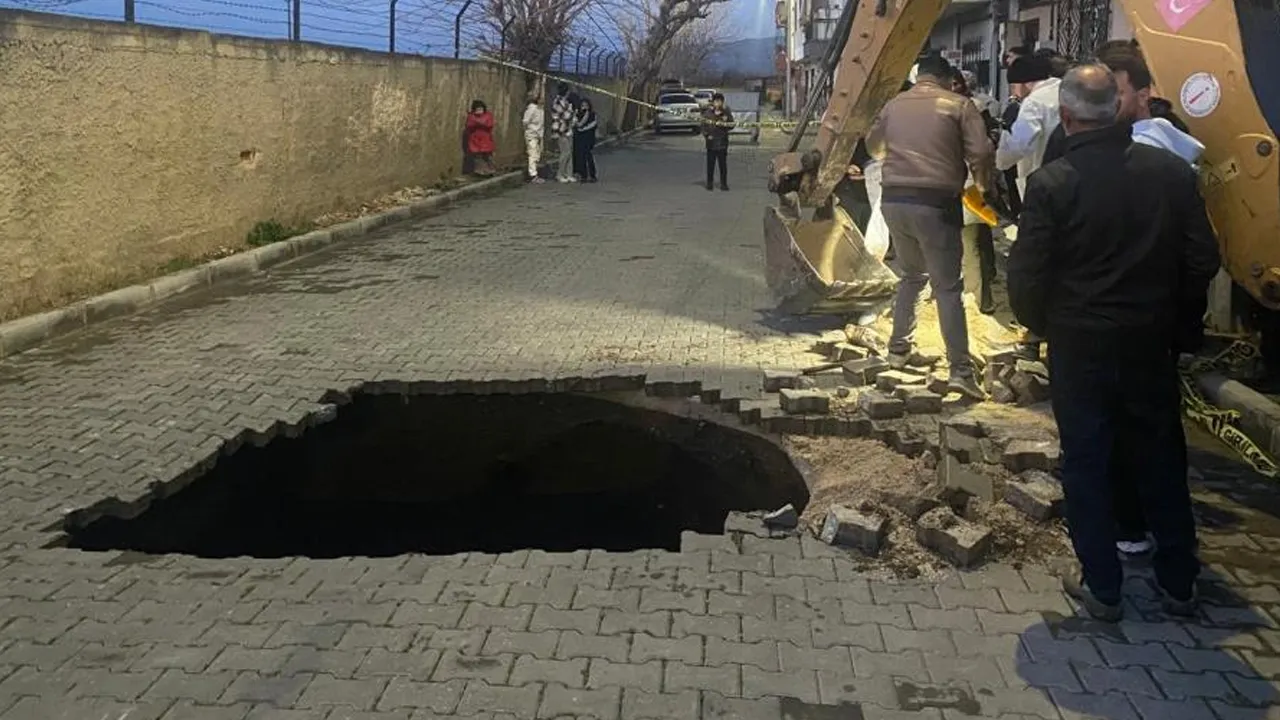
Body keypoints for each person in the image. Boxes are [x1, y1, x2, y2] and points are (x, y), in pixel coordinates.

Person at [1006, 65, 1220, 621]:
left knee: (1087, 460)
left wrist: (1047, 325)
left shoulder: (1052, 184)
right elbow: (1203, 257)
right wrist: (1178, 320)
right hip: (1150, 341)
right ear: (1117, 109)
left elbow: (1025, 278)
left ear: (1067, 116)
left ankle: (1102, 586)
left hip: (1081, 344)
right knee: (1161, 456)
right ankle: (1179, 584)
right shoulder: (1169, 173)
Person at [864, 54, 995, 400]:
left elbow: (873, 147)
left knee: (911, 276)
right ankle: (961, 372)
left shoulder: (894, 105)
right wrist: (983, 187)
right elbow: (981, 152)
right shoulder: (959, 105)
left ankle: (898, 350)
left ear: (918, 76)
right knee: (948, 287)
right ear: (948, 80)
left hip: (894, 201)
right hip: (936, 204)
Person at [951, 68, 998, 315]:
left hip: (967, 187)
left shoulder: (972, 109)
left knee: (971, 244)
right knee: (972, 243)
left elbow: (983, 149)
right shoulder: (971, 109)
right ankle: (978, 298)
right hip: (965, 185)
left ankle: (978, 300)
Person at [701, 93, 734, 191]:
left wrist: (726, 120)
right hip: (711, 143)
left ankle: (724, 184)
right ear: (713, 102)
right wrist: (707, 135)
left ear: (722, 102)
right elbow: (703, 126)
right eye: (716, 101)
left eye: (719, 101)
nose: (717, 103)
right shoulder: (708, 113)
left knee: (722, 165)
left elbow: (731, 125)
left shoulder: (726, 112)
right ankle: (709, 183)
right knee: (710, 165)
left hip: (722, 142)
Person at [550, 83, 576, 183]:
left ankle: (568, 174)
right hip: (561, 130)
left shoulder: (566, 102)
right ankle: (559, 174)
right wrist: (572, 114)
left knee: (569, 153)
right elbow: (564, 116)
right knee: (565, 152)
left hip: (568, 129)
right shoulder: (558, 102)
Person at [465, 100, 496, 177]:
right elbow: (469, 125)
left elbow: (489, 124)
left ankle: (490, 170)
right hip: (475, 139)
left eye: (480, 109)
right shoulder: (471, 116)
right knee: (478, 157)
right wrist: (479, 123)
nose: (479, 111)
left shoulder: (488, 115)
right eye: (477, 109)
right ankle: (480, 171)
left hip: (485, 139)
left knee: (487, 156)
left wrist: (478, 123)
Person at [573, 97, 599, 183]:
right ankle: (583, 175)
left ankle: (592, 175)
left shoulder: (592, 115)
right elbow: (576, 124)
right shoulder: (577, 114)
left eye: (586, 105)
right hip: (579, 139)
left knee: (589, 156)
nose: (584, 107)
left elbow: (593, 125)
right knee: (581, 157)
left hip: (588, 139)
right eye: (582, 105)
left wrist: (582, 127)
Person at [522, 93, 545, 184]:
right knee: (532, 154)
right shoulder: (532, 108)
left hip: (538, 134)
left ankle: (534, 172)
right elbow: (525, 121)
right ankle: (533, 175)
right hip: (531, 134)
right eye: (541, 99)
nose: (543, 100)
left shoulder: (541, 109)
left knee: (537, 154)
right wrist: (528, 131)